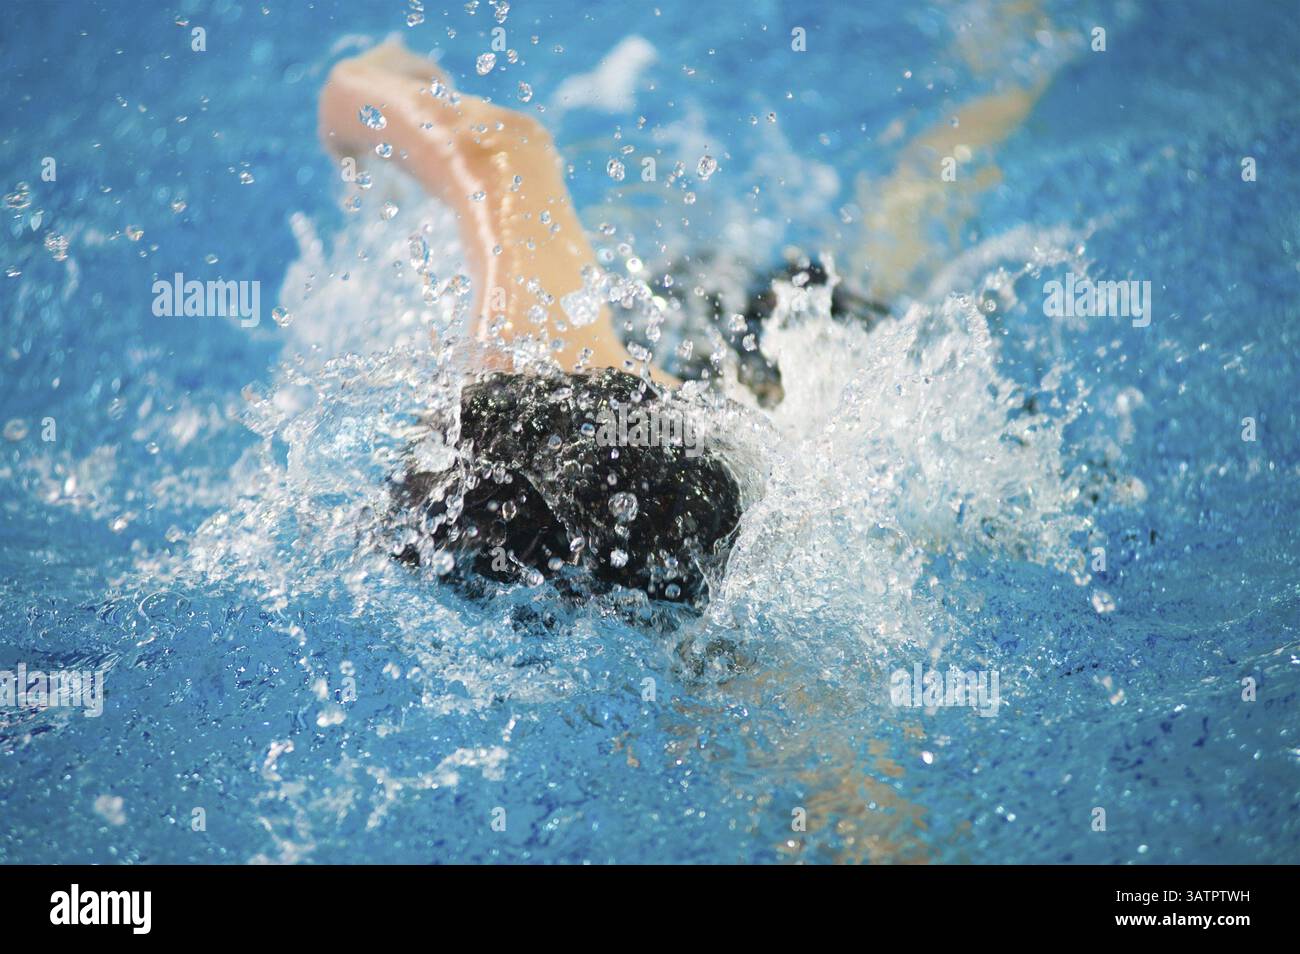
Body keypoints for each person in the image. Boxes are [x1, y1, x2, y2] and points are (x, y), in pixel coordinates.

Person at [319, 40, 746, 605]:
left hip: (752, 347)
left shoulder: (523, 349)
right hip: (687, 351)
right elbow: (488, 143)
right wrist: (363, 86)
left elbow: (493, 143)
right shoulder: (527, 352)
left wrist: (363, 92)